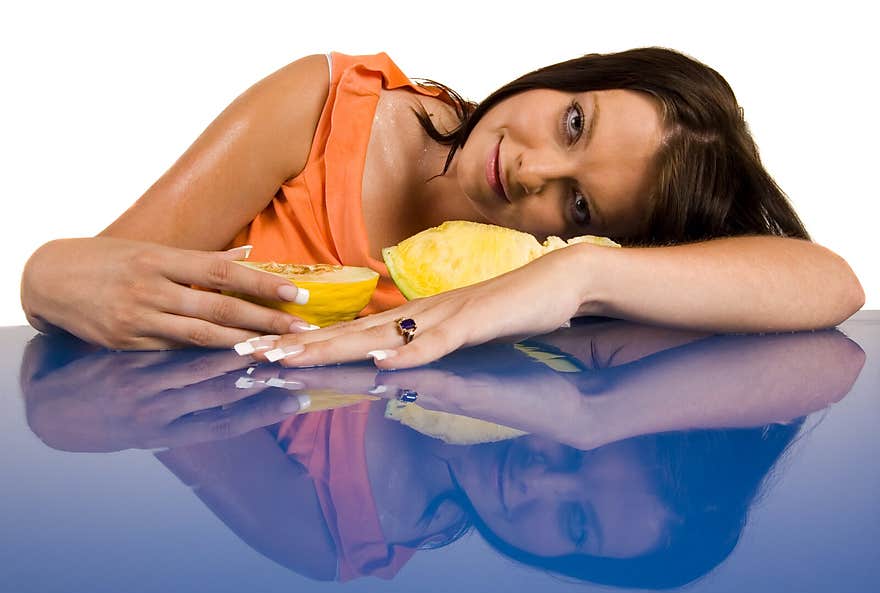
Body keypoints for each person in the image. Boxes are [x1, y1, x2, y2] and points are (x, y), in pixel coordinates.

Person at [20, 49, 865, 368]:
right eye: (574, 122)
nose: (533, 169)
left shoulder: (544, 272)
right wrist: (40, 271)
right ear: (574, 74)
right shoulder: (320, 108)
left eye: (576, 206)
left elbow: (829, 283)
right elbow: (99, 284)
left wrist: (584, 272)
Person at [20, 320, 865, 588]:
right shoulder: (529, 329)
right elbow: (832, 351)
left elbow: (127, 400)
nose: (537, 476)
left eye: (574, 519)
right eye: (582, 447)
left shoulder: (330, 535)